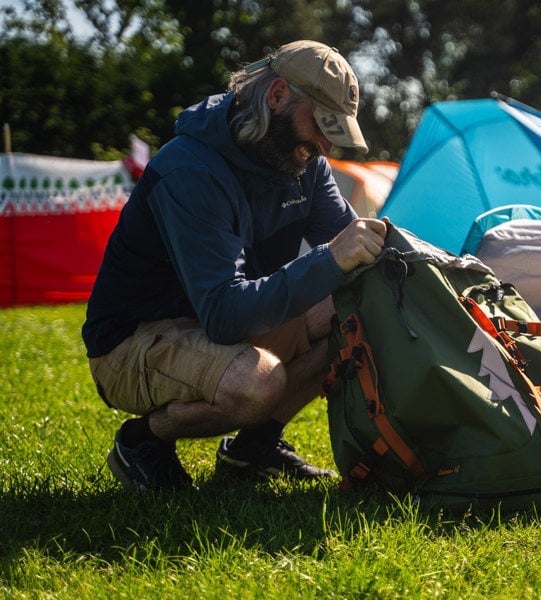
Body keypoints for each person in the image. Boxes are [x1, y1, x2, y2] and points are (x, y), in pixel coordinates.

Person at [82, 40, 389, 492]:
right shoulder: (190, 168)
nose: (325, 145)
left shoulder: (306, 161)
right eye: (322, 124)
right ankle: (141, 442)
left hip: (212, 327)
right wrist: (330, 259)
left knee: (351, 315)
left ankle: (253, 449)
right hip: (132, 342)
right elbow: (225, 315)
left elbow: (356, 255)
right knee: (255, 383)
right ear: (278, 95)